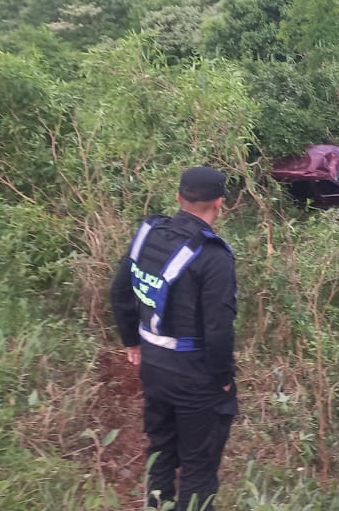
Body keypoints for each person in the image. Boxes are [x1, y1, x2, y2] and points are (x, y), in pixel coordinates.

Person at [110, 166, 239, 510]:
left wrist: (132, 342)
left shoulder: (147, 234)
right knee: (199, 466)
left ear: (179, 198)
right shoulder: (214, 257)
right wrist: (224, 380)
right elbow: (218, 331)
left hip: (153, 366)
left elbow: (120, 291)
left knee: (162, 450)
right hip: (195, 377)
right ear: (219, 204)